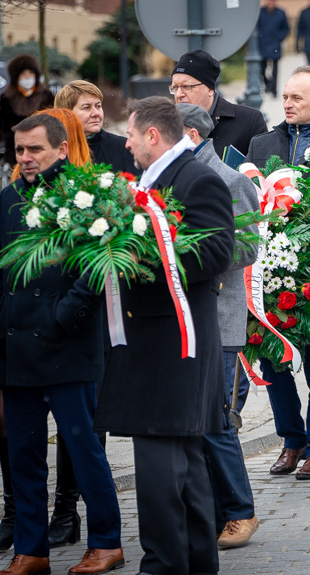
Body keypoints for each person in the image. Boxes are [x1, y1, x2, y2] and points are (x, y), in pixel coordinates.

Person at [94, 96, 235, 575]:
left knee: (163, 465)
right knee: (183, 465)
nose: (126, 143)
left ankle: (163, 563)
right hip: (153, 344)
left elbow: (217, 252)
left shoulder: (197, 178)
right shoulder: (151, 180)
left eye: (131, 134)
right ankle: (194, 560)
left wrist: (141, 263)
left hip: (177, 346)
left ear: (153, 135)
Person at [0, 114, 124, 575]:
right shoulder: (6, 201)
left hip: (70, 349)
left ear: (62, 150)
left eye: (35, 149)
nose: (27, 159)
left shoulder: (86, 198)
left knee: (83, 452)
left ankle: (107, 542)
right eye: (19, 151)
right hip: (17, 354)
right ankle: (31, 550)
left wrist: (60, 319)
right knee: (24, 457)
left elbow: (98, 270)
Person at [246, 67, 310, 481]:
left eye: (297, 98)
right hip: (268, 273)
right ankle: (292, 440)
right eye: (285, 97)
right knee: (275, 363)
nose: (287, 104)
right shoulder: (261, 143)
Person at [177, 102, 261, 548]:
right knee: (195, 419)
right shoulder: (172, 181)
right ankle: (207, 511)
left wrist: (189, 254)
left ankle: (240, 512)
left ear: (191, 136)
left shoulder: (230, 181)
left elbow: (248, 248)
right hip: (180, 318)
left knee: (218, 420)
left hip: (220, 319)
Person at [171, 49, 268, 158]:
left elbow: (264, 170)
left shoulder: (249, 121)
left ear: (210, 89)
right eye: (174, 87)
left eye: (187, 87)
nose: (179, 94)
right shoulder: (166, 125)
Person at [54, 80, 139, 175]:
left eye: (98, 106)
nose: (96, 113)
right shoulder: (54, 149)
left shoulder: (123, 148)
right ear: (67, 113)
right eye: (86, 107)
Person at [0, 54, 54, 166]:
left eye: (31, 74)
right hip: (14, 151)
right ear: (16, 77)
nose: (28, 77)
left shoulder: (47, 96)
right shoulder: (6, 98)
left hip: (42, 149)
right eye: (24, 74)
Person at [259, 0, 291, 98]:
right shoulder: (260, 12)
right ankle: (268, 83)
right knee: (261, 69)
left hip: (275, 44)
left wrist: (279, 38)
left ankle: (274, 90)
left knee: (275, 69)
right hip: (262, 44)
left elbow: (286, 29)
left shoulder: (281, 13)